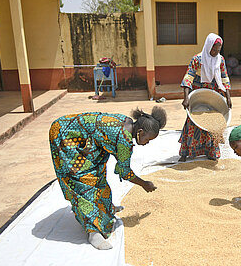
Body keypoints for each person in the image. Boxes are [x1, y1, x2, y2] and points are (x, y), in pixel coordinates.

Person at [49, 107, 167, 250]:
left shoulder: (128, 123)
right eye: (148, 139)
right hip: (66, 136)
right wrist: (144, 184)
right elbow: (125, 172)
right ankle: (93, 231)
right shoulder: (124, 141)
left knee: (98, 174)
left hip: (85, 138)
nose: (147, 143)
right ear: (140, 132)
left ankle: (105, 209)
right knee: (83, 182)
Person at [179, 33, 232, 162]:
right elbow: (188, 78)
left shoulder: (220, 60)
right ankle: (185, 153)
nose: (215, 52)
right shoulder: (198, 59)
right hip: (198, 94)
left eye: (218, 50)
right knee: (192, 124)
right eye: (213, 50)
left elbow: (224, 78)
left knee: (213, 126)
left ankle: (211, 152)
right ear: (208, 46)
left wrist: (228, 97)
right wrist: (186, 98)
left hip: (213, 95)